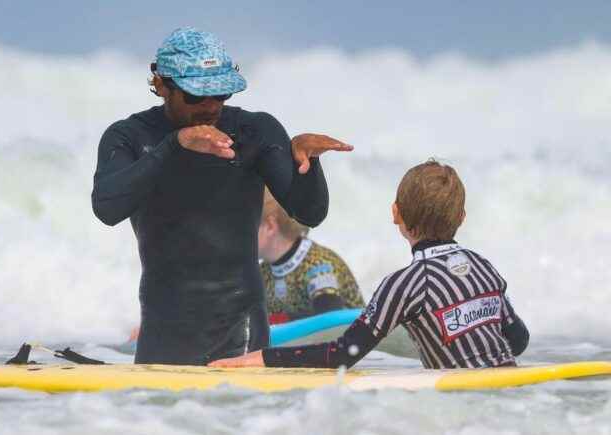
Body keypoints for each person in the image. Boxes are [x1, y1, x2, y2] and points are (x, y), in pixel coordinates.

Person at [91, 27, 352, 365]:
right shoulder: (129, 137)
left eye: (221, 94)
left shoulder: (253, 132)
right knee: (156, 418)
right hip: (163, 325)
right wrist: (174, 145)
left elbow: (309, 212)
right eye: (196, 96)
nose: (211, 107)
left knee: (239, 417)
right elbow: (107, 207)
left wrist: (310, 166)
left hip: (241, 327)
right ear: (161, 85)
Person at [210, 160, 529, 369]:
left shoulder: (405, 284)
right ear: (461, 218)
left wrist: (261, 359)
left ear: (396, 214)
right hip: (505, 400)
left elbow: (342, 354)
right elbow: (518, 341)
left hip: (464, 408)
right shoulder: (484, 266)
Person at [259, 188, 364, 324]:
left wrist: (278, 320)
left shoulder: (319, 265)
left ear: (270, 226)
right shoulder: (262, 272)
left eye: (244, 227)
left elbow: (329, 318)